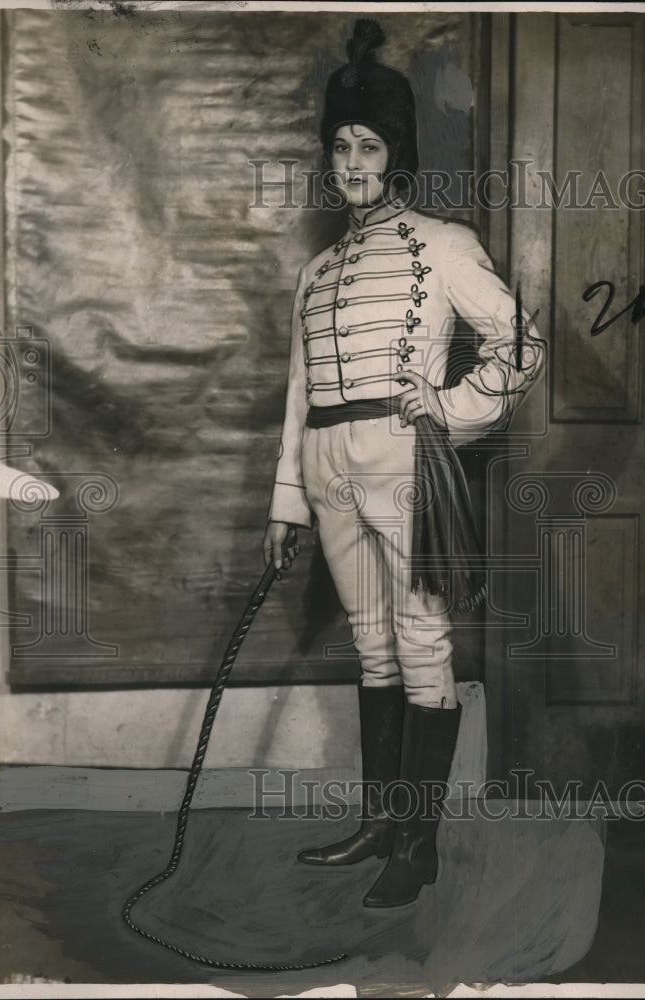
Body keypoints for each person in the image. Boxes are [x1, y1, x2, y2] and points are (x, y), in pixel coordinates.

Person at [262, 18, 545, 909]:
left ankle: (418, 847)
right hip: (327, 466)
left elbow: (521, 343)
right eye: (341, 145)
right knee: (372, 647)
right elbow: (300, 392)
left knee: (422, 643)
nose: (353, 163)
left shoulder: (442, 245)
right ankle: (380, 825)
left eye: (370, 146)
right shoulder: (316, 273)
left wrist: (453, 409)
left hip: (403, 461)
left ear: (397, 156)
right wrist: (286, 503)